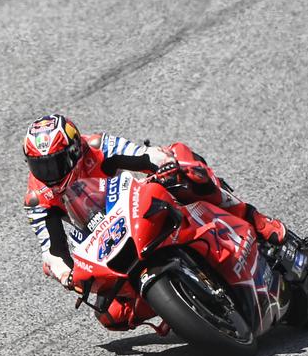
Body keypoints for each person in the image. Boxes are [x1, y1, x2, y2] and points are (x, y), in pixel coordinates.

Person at [21, 114, 286, 329]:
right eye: (40, 166)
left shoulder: (97, 147)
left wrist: (164, 164)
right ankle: (181, 306)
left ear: (74, 151)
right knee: (111, 315)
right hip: (100, 235)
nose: (49, 174)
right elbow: (52, 252)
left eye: (54, 164)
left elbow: (143, 155)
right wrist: (66, 275)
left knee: (189, 171)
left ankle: (257, 220)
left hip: (136, 202)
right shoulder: (38, 198)